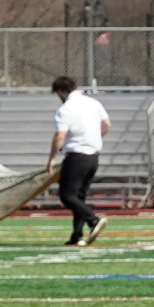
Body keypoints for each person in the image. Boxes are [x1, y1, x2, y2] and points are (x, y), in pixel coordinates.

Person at [46, 76, 110, 247]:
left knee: (67, 196)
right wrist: (93, 138)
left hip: (76, 157)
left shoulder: (66, 108)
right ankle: (77, 235)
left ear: (61, 91)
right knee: (79, 197)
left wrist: (51, 158)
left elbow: (60, 135)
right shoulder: (93, 103)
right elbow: (107, 124)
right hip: (93, 156)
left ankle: (93, 220)